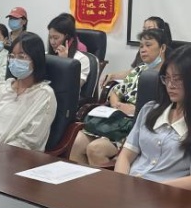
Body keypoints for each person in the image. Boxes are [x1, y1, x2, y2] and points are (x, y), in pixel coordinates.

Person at [113, 44, 191, 191]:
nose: (170, 85)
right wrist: (122, 183)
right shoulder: (149, 110)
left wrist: (148, 189)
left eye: (178, 79)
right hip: (131, 189)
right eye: (167, 78)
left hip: (167, 197)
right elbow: (126, 155)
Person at [70, 28, 167, 166]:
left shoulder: (167, 77)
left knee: (95, 149)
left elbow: (165, 107)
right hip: (117, 121)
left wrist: (135, 110)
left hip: (135, 127)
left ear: (162, 48)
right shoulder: (139, 70)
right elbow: (116, 91)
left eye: (148, 45)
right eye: (141, 46)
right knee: (76, 142)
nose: (143, 50)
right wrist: (117, 105)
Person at [0, 32, 56, 151]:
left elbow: (30, 141)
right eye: (12, 56)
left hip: (16, 156)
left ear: (36, 60)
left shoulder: (44, 95)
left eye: (21, 57)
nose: (15, 61)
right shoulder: (1, 88)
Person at [47, 12, 90, 88]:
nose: (52, 42)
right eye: (50, 37)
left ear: (68, 38)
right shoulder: (46, 55)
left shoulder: (81, 59)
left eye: (56, 38)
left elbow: (74, 87)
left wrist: (64, 63)